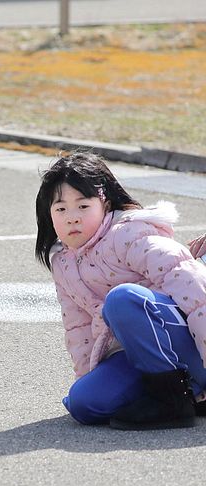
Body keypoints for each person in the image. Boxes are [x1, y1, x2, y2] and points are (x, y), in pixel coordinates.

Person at [35, 151, 206, 430]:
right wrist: (89, 377)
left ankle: (174, 401)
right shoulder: (63, 262)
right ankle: (187, 394)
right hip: (143, 355)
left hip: (190, 341)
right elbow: (77, 327)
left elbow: (195, 289)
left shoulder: (129, 233)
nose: (72, 218)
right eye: (61, 209)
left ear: (105, 203)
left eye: (83, 205)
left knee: (122, 299)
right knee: (84, 403)